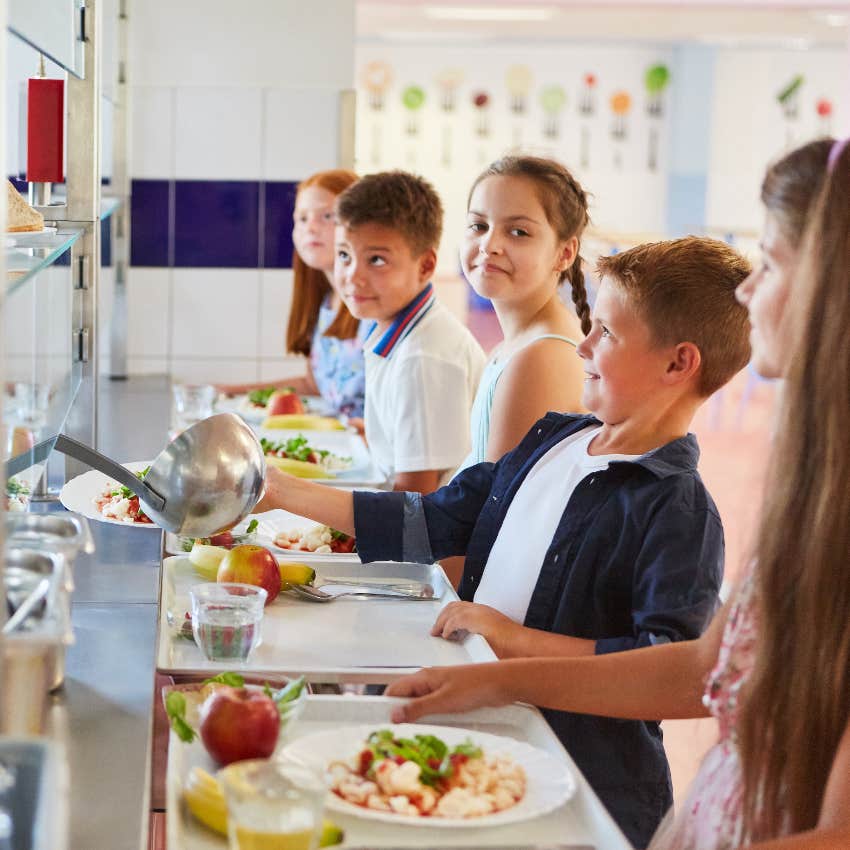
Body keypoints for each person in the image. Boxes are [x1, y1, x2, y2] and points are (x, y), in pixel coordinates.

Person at [384, 138, 850, 850]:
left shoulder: (680, 502)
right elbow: (699, 671)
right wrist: (495, 680)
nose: (750, 290)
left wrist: (510, 667)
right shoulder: (815, 483)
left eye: (774, 263)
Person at [256, 235, 752, 847]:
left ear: (679, 364)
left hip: (583, 785)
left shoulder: (679, 510)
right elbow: (431, 519)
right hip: (487, 736)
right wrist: (277, 489)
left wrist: (515, 641)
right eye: (591, 325)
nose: (584, 344)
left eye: (609, 335)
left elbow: (661, 666)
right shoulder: (555, 439)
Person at [333, 170, 485, 492]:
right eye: (344, 255)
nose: (352, 276)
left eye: (376, 260)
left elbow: (416, 502)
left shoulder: (422, 357)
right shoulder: (396, 330)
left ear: (426, 266)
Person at [455, 155, 590, 473]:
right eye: (479, 226)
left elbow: (492, 507)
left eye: (518, 232)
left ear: (564, 253)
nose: (489, 244)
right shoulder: (514, 345)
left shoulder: (541, 356)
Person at [218, 169, 369, 418]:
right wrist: (230, 392)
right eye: (302, 218)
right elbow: (314, 386)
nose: (311, 228)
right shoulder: (325, 303)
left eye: (327, 216)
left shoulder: (371, 306)